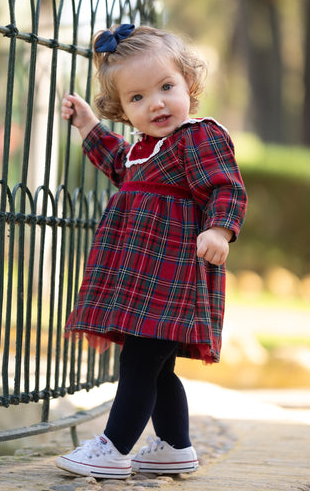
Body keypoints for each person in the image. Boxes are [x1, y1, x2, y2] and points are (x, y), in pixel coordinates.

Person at [56, 24, 247, 480]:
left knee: (140, 362)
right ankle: (174, 446)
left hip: (173, 274)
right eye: (137, 98)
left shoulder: (199, 136)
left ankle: (115, 447)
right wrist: (87, 126)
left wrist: (219, 230)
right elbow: (118, 163)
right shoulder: (144, 150)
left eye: (166, 87)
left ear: (189, 84)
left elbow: (226, 186)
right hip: (142, 277)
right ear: (122, 109)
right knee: (157, 367)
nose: (156, 103)